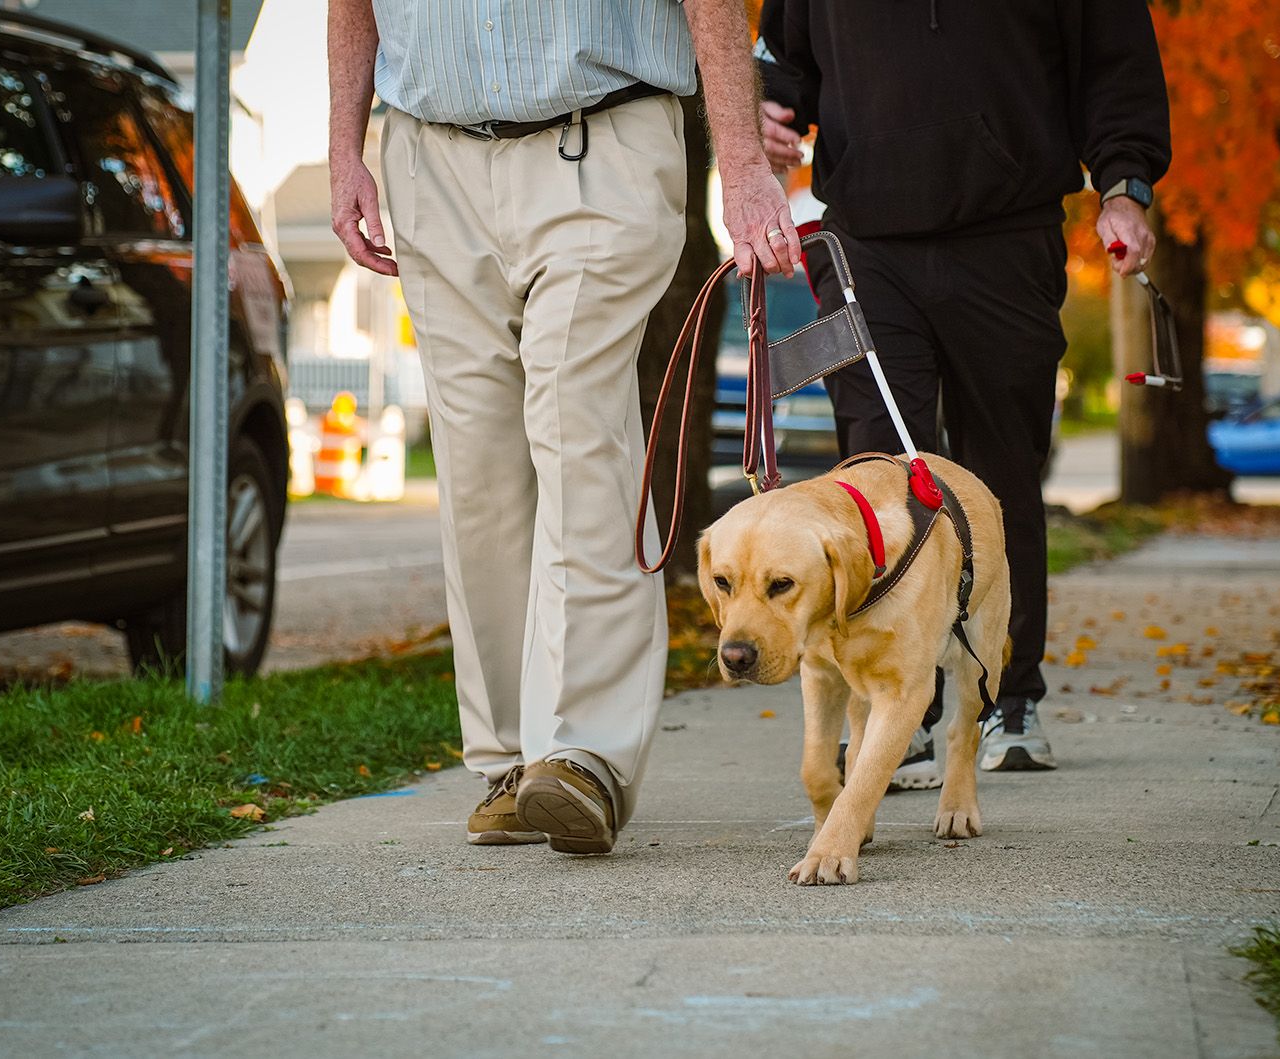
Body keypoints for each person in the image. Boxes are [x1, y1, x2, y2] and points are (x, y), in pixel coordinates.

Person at [329, 0, 799, 854]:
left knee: (576, 427)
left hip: (603, 139)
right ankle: (512, 759)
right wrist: (343, 151)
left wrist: (739, 161)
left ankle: (584, 752)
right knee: (476, 470)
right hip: (429, 160)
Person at [757, 0, 1171, 776]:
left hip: (1007, 234)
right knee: (879, 479)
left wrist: (1123, 188)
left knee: (999, 477)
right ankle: (899, 706)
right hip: (865, 241)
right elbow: (783, 56)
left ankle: (1006, 696)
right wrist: (768, 111)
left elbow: (1116, 67)